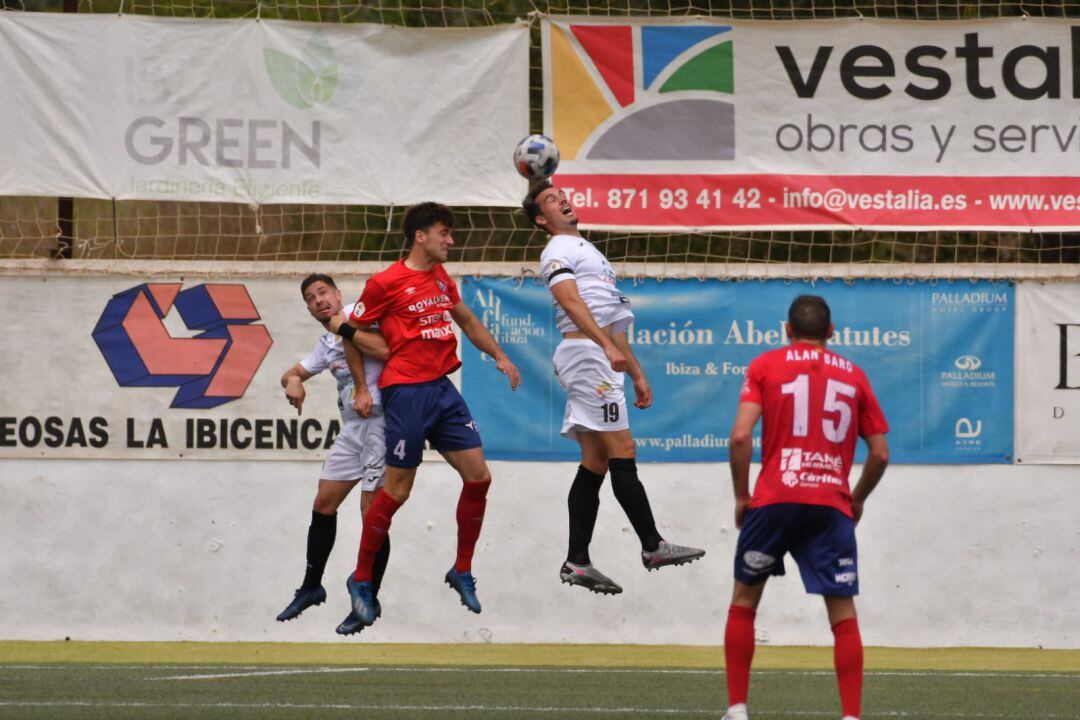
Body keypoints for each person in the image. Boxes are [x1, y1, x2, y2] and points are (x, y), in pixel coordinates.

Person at [330, 202, 521, 634]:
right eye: (444, 233)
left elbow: (467, 319)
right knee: (397, 491)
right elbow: (351, 334)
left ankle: (462, 569)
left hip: (442, 390)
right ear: (420, 236)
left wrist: (500, 355)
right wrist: (362, 387)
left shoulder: (440, 278)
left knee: (479, 477)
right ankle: (361, 578)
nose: (450, 240)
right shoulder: (385, 283)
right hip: (407, 392)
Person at [522, 180, 705, 595]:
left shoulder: (590, 251)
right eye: (551, 200)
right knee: (623, 451)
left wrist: (636, 372)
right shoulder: (557, 250)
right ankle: (652, 545)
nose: (563, 200)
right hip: (587, 357)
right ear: (540, 219)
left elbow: (610, 318)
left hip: (596, 355)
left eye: (562, 195)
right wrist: (603, 346)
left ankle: (578, 561)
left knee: (596, 461)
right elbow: (570, 302)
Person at [722, 295, 890, 720]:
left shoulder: (765, 365)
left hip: (775, 499)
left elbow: (741, 436)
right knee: (841, 608)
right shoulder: (854, 375)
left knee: (745, 599)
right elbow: (881, 454)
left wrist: (743, 495)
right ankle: (851, 716)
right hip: (830, 503)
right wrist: (856, 499)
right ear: (831, 333)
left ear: (787, 330)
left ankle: (738, 709)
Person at [275, 274, 394, 627]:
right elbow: (292, 372)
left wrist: (362, 385)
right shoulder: (327, 342)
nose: (318, 300)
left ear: (339, 294)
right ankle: (312, 587)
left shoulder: (362, 315)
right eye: (311, 298)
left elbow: (386, 348)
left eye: (323, 292)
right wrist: (294, 382)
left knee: (372, 515)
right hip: (353, 431)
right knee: (323, 504)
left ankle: (368, 597)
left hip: (382, 427)